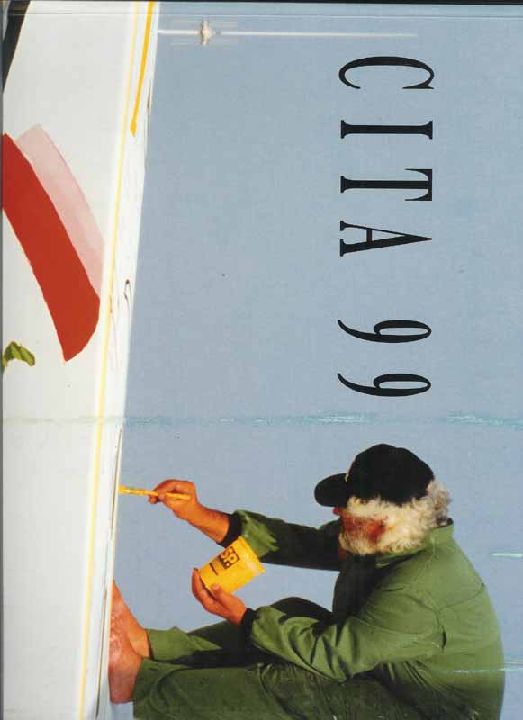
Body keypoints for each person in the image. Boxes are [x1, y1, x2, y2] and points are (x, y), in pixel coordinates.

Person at [109, 444, 505, 719]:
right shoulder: (390, 538)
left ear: (381, 522)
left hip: (426, 712)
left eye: (347, 508)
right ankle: (150, 648)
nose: (336, 512)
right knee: (293, 616)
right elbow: (301, 544)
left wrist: (244, 618)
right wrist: (197, 514)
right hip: (389, 678)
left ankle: (138, 683)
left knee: (297, 685)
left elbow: (332, 656)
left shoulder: (417, 587)